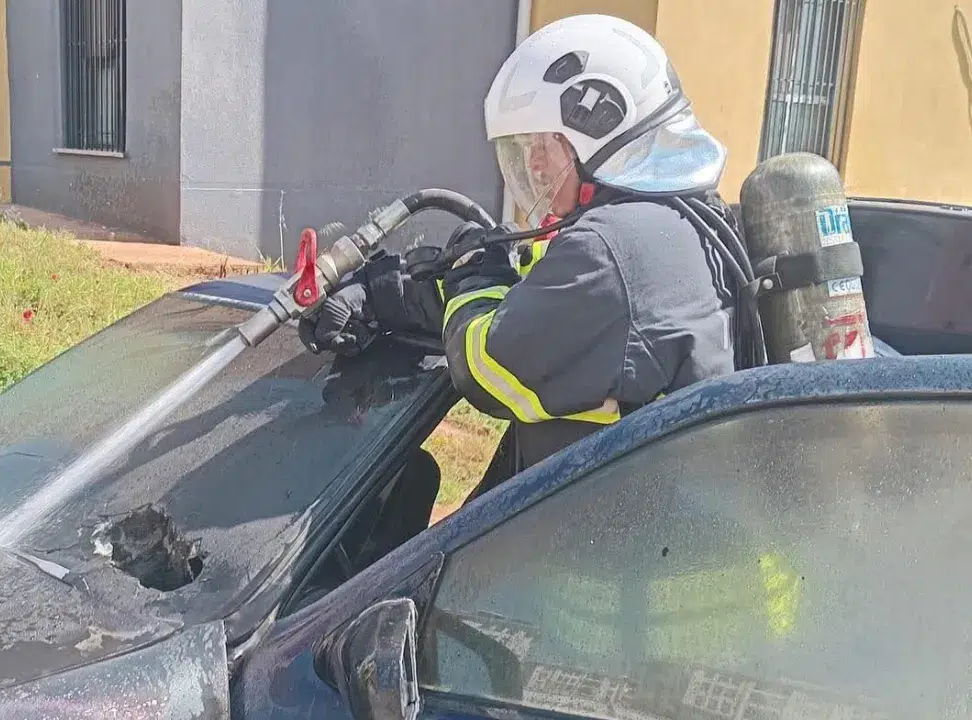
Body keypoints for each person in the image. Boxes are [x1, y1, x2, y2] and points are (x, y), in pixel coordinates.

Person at [300, 14, 743, 504]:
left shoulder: (610, 251)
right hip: (636, 513)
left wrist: (470, 276)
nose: (531, 163)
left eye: (541, 144)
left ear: (597, 128)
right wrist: (390, 293)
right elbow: (528, 286)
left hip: (612, 549)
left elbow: (489, 364)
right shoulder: (665, 224)